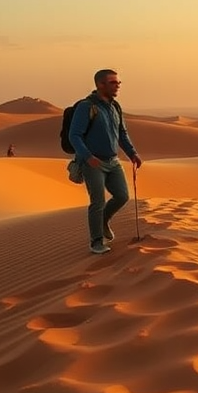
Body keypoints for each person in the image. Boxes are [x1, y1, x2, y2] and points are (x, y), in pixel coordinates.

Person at [68, 69, 142, 254]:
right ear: (100, 85)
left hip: (113, 161)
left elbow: (122, 134)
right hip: (93, 162)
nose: (118, 85)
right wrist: (87, 156)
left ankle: (103, 221)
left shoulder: (115, 106)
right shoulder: (86, 107)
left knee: (122, 195)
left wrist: (132, 153)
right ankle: (96, 242)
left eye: (118, 82)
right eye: (113, 82)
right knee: (97, 202)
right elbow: (74, 135)